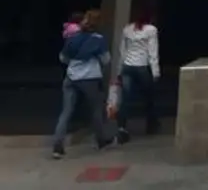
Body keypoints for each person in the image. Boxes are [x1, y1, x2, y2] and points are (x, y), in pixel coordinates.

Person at [52, 9, 114, 158]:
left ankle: (57, 146)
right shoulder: (98, 39)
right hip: (90, 78)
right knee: (96, 109)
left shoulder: (73, 38)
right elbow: (106, 59)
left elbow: (63, 58)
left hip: (71, 77)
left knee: (66, 112)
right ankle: (101, 140)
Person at [115, 9, 161, 143]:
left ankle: (122, 128)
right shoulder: (151, 30)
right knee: (149, 97)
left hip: (127, 66)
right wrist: (155, 71)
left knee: (126, 99)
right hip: (142, 67)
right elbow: (153, 52)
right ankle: (151, 124)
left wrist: (119, 70)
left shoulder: (127, 29)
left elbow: (122, 51)